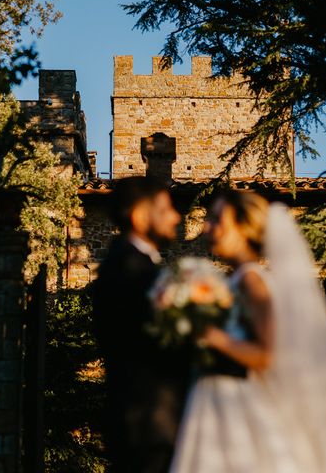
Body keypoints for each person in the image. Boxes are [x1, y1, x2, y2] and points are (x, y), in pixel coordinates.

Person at [170, 190, 326, 473]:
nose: (207, 227)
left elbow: (266, 355)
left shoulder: (252, 281)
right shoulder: (233, 281)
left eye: (217, 219)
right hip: (216, 404)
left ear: (244, 227)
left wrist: (208, 334)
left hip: (240, 408)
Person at [94, 176, 190, 473]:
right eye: (165, 208)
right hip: (149, 423)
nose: (176, 216)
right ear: (139, 216)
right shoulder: (131, 268)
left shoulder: (132, 263)